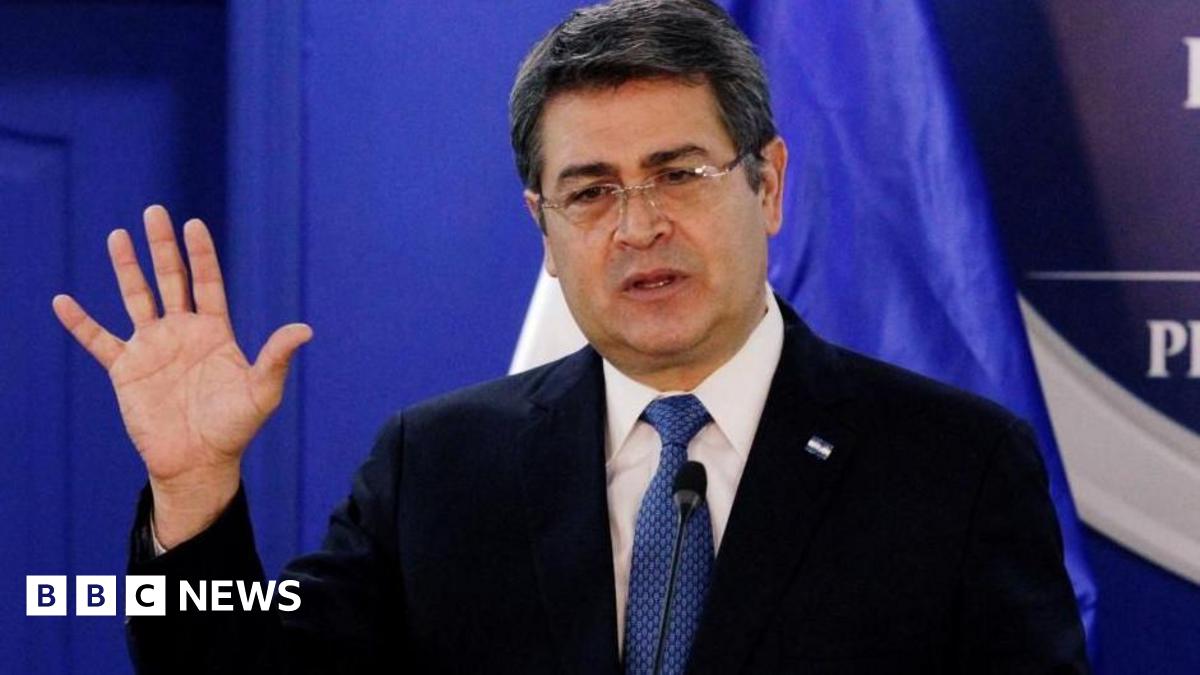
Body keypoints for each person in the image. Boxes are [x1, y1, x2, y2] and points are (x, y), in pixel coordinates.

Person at [52, 0, 1088, 672]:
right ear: (542, 229)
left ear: (768, 185)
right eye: (589, 192)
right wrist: (195, 495)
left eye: (679, 173)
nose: (639, 226)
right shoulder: (441, 467)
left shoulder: (953, 464)